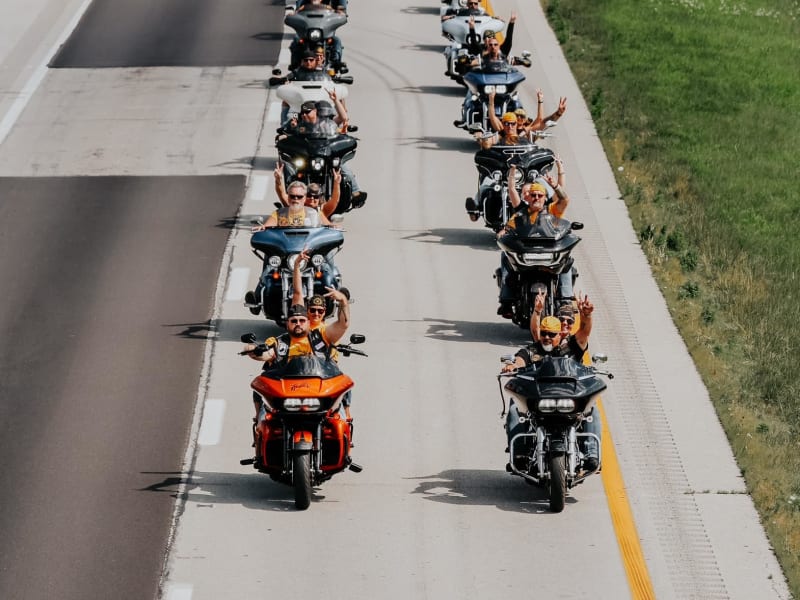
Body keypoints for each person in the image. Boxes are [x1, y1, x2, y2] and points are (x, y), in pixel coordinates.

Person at [501, 301, 600, 471]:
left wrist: (587, 315)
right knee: (514, 409)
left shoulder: (571, 348)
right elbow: (520, 360)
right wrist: (512, 366)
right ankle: (519, 453)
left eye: (552, 334)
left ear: (559, 335)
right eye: (544, 333)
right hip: (540, 397)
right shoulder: (532, 350)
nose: (547, 337)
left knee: (591, 409)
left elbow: (584, 333)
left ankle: (592, 453)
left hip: (568, 396)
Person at [242, 299, 349, 420]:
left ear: (308, 322)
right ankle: (258, 418)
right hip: (286, 392)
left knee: (339, 418)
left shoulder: (322, 336)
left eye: (302, 320)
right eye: (294, 321)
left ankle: (346, 421)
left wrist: (343, 302)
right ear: (287, 323)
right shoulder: (278, 342)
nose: (298, 323)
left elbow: (343, 325)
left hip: (317, 389)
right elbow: (267, 353)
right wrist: (252, 349)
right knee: (265, 418)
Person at [291, 250, 353, 421]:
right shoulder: (300, 324)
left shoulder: (325, 331)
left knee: (343, 388)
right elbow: (297, 293)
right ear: (307, 310)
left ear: (325, 312)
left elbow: (343, 324)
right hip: (297, 373)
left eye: (320, 310)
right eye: (312, 310)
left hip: (323, 375)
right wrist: (296, 266)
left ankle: (346, 415)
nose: (316, 313)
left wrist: (343, 301)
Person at [274, 162, 342, 218]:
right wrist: (278, 179)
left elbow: (335, 200)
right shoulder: (295, 204)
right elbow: (282, 194)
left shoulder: (322, 210)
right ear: (304, 196)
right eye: (309, 195)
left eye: (316, 196)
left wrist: (337, 183)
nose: (312, 198)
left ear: (319, 198)